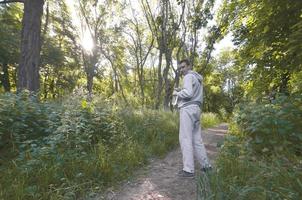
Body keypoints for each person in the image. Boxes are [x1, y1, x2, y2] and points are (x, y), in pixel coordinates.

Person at [173, 59, 212, 178]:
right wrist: (182, 91)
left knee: (185, 138)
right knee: (197, 139)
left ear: (189, 66)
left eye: (183, 67)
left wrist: (177, 94)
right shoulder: (197, 78)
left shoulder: (188, 77)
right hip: (196, 109)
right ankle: (206, 166)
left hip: (188, 109)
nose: (181, 70)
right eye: (180, 68)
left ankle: (188, 170)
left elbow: (188, 93)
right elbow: (192, 93)